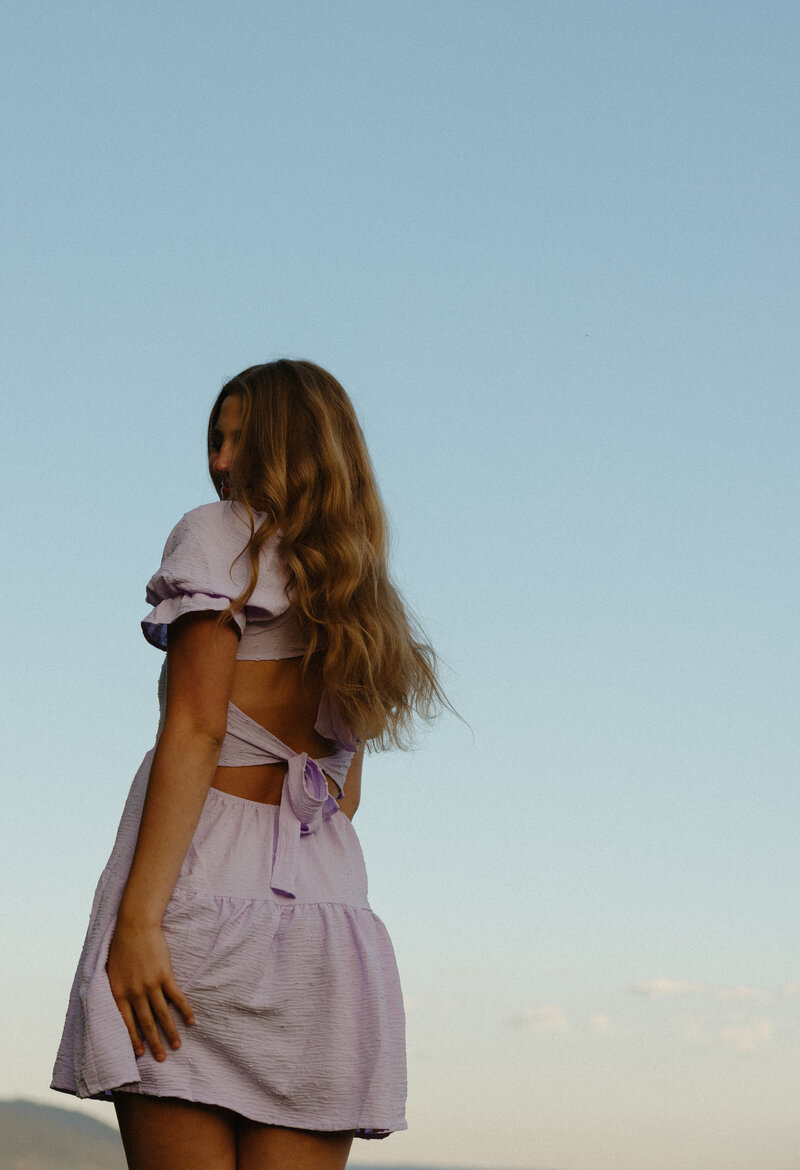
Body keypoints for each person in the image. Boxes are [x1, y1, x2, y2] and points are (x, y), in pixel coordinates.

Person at [52, 359, 445, 1170]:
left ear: (294, 448)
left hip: (200, 899)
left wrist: (138, 922)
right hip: (327, 925)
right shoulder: (358, 593)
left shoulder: (214, 533)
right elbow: (343, 797)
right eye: (215, 440)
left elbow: (196, 730)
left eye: (242, 441)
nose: (220, 461)